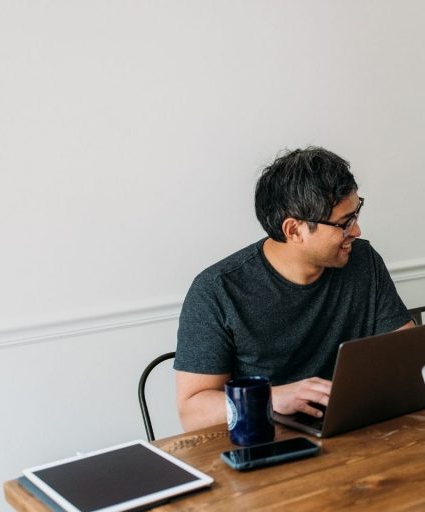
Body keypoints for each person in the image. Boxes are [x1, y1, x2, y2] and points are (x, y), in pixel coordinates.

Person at [174, 147, 412, 431]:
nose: (357, 231)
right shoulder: (217, 290)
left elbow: (406, 354)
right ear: (294, 230)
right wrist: (272, 397)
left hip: (353, 429)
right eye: (344, 223)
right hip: (266, 440)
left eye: (355, 213)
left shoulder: (363, 261)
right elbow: (192, 411)